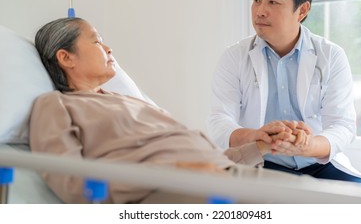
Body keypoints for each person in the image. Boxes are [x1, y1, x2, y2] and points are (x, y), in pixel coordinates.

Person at [30, 17, 307, 204]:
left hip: (220, 173)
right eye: (97, 41)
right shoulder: (56, 104)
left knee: (328, 199)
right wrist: (171, 174)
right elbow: (70, 181)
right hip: (165, 189)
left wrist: (261, 146)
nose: (108, 48)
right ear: (66, 57)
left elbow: (205, 160)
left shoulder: (129, 100)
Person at [207, 0, 361, 194]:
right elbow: (219, 122)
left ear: (302, 10)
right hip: (263, 164)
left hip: (318, 164)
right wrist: (256, 135)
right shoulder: (234, 57)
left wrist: (308, 146)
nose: (260, 11)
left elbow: (342, 125)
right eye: (256, 0)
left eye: (273, 2)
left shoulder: (331, 56)